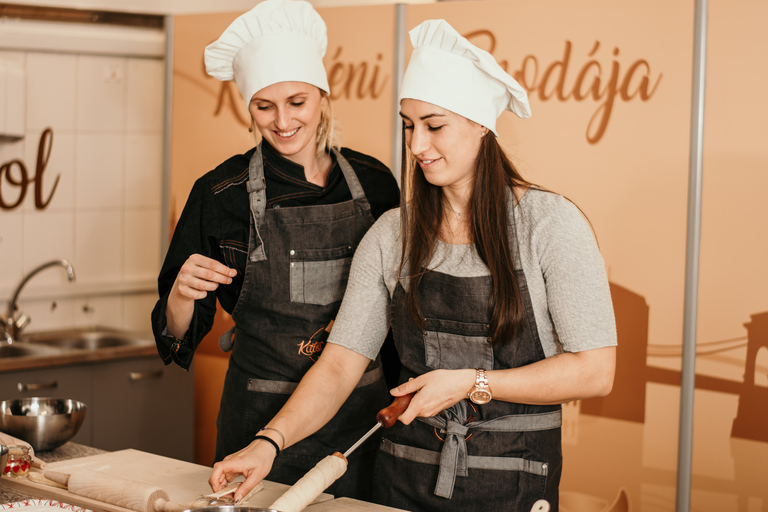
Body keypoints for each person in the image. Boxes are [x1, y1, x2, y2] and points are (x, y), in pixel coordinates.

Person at [207, 18, 617, 512]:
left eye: (434, 125)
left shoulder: (549, 225)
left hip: (513, 476)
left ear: (481, 125)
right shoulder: (393, 234)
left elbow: (596, 372)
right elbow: (339, 364)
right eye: (409, 126)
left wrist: (471, 383)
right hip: (404, 476)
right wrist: (268, 443)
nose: (417, 145)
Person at [150, 0, 400, 501]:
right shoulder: (221, 194)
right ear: (249, 109)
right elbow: (176, 337)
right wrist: (180, 296)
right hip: (258, 424)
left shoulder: (374, 183)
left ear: (323, 97)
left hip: (360, 422)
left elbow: (396, 314)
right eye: (265, 106)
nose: (283, 120)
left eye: (297, 102)